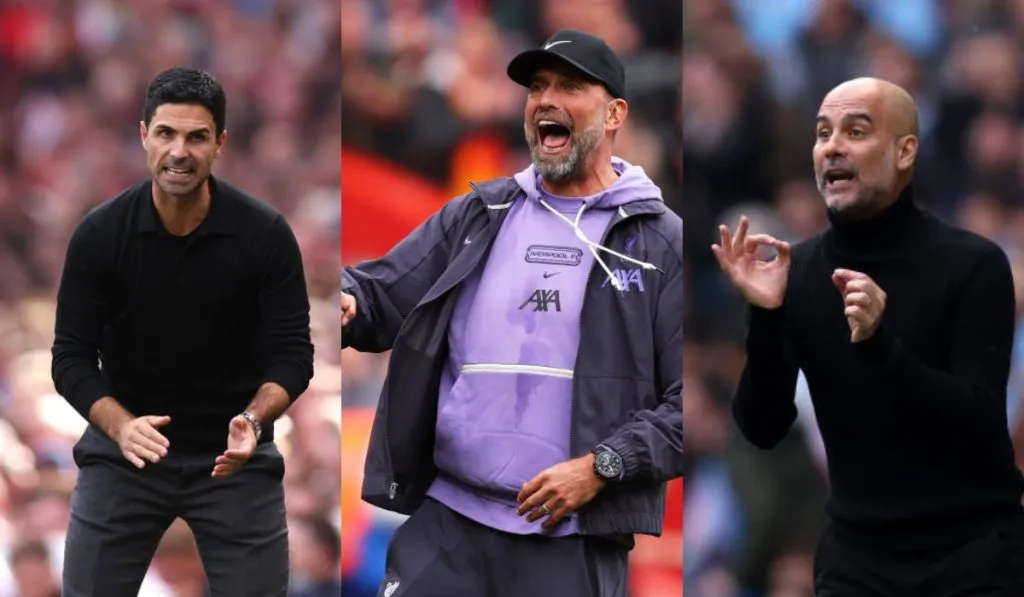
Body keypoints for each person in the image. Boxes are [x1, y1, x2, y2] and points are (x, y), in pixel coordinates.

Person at [341, 29, 683, 597]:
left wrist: (601, 466)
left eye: (570, 86)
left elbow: (687, 405)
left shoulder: (659, 242)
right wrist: (344, 304)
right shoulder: (479, 214)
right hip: (448, 526)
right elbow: (378, 294)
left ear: (615, 113)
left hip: (569, 543)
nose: (546, 100)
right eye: (537, 88)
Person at [713, 77, 1024, 596]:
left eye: (856, 131)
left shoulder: (973, 264)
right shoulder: (800, 271)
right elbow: (762, 427)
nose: (832, 146)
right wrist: (765, 317)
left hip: (972, 556)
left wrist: (881, 346)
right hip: (857, 562)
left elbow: (976, 424)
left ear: (905, 151)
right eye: (822, 133)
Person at [51, 67, 315, 596]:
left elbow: (292, 356)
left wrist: (253, 418)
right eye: (167, 134)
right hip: (123, 456)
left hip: (234, 458)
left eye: (196, 137)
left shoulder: (264, 235)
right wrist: (122, 427)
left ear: (220, 144)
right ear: (144, 135)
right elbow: (71, 360)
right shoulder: (100, 235)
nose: (180, 151)